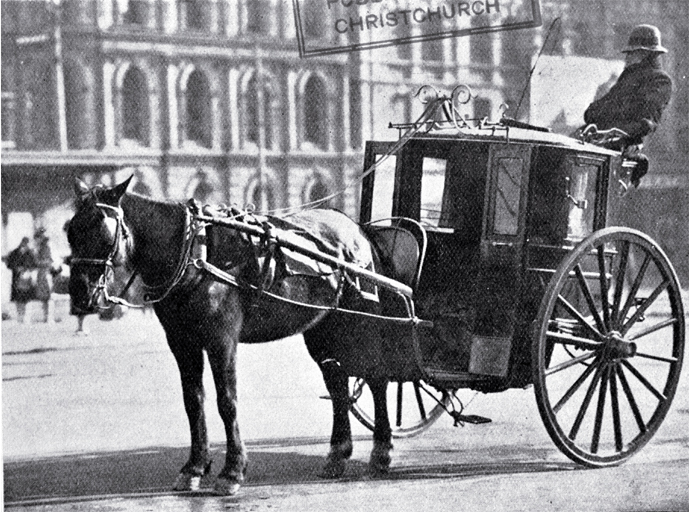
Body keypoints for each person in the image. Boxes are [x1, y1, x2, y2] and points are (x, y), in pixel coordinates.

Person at [582, 24, 673, 187]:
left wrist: (612, 130)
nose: (627, 57)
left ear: (645, 53)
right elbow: (591, 112)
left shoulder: (659, 80)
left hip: (619, 151)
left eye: (632, 52)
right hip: (599, 146)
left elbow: (646, 122)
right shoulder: (627, 79)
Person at [4, 237, 37, 324]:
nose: (25, 245)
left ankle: (26, 317)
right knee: (18, 298)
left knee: (27, 298)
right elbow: (9, 263)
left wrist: (27, 269)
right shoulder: (14, 253)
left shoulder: (30, 253)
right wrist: (16, 268)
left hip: (27, 278)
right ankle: (20, 316)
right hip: (17, 278)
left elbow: (34, 264)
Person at [34, 228, 56, 324]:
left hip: (46, 272)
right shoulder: (40, 246)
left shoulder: (47, 246)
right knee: (44, 297)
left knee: (49, 296)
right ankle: (46, 317)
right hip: (42, 273)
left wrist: (38, 262)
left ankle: (49, 317)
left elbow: (50, 260)